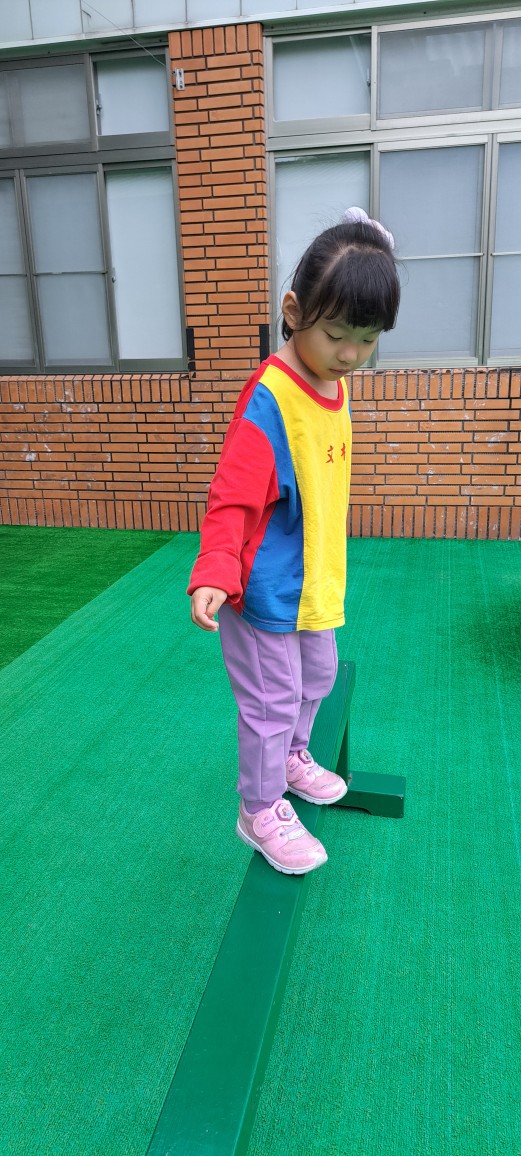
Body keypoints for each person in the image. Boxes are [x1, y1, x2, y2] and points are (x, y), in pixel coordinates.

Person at [188, 208, 400, 875]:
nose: (350, 354)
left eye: (367, 340)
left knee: (318, 677)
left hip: (313, 580)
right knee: (271, 699)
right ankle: (258, 808)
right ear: (292, 311)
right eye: (337, 335)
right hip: (262, 590)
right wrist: (215, 568)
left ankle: (289, 757)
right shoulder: (270, 400)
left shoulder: (332, 383)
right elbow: (231, 494)